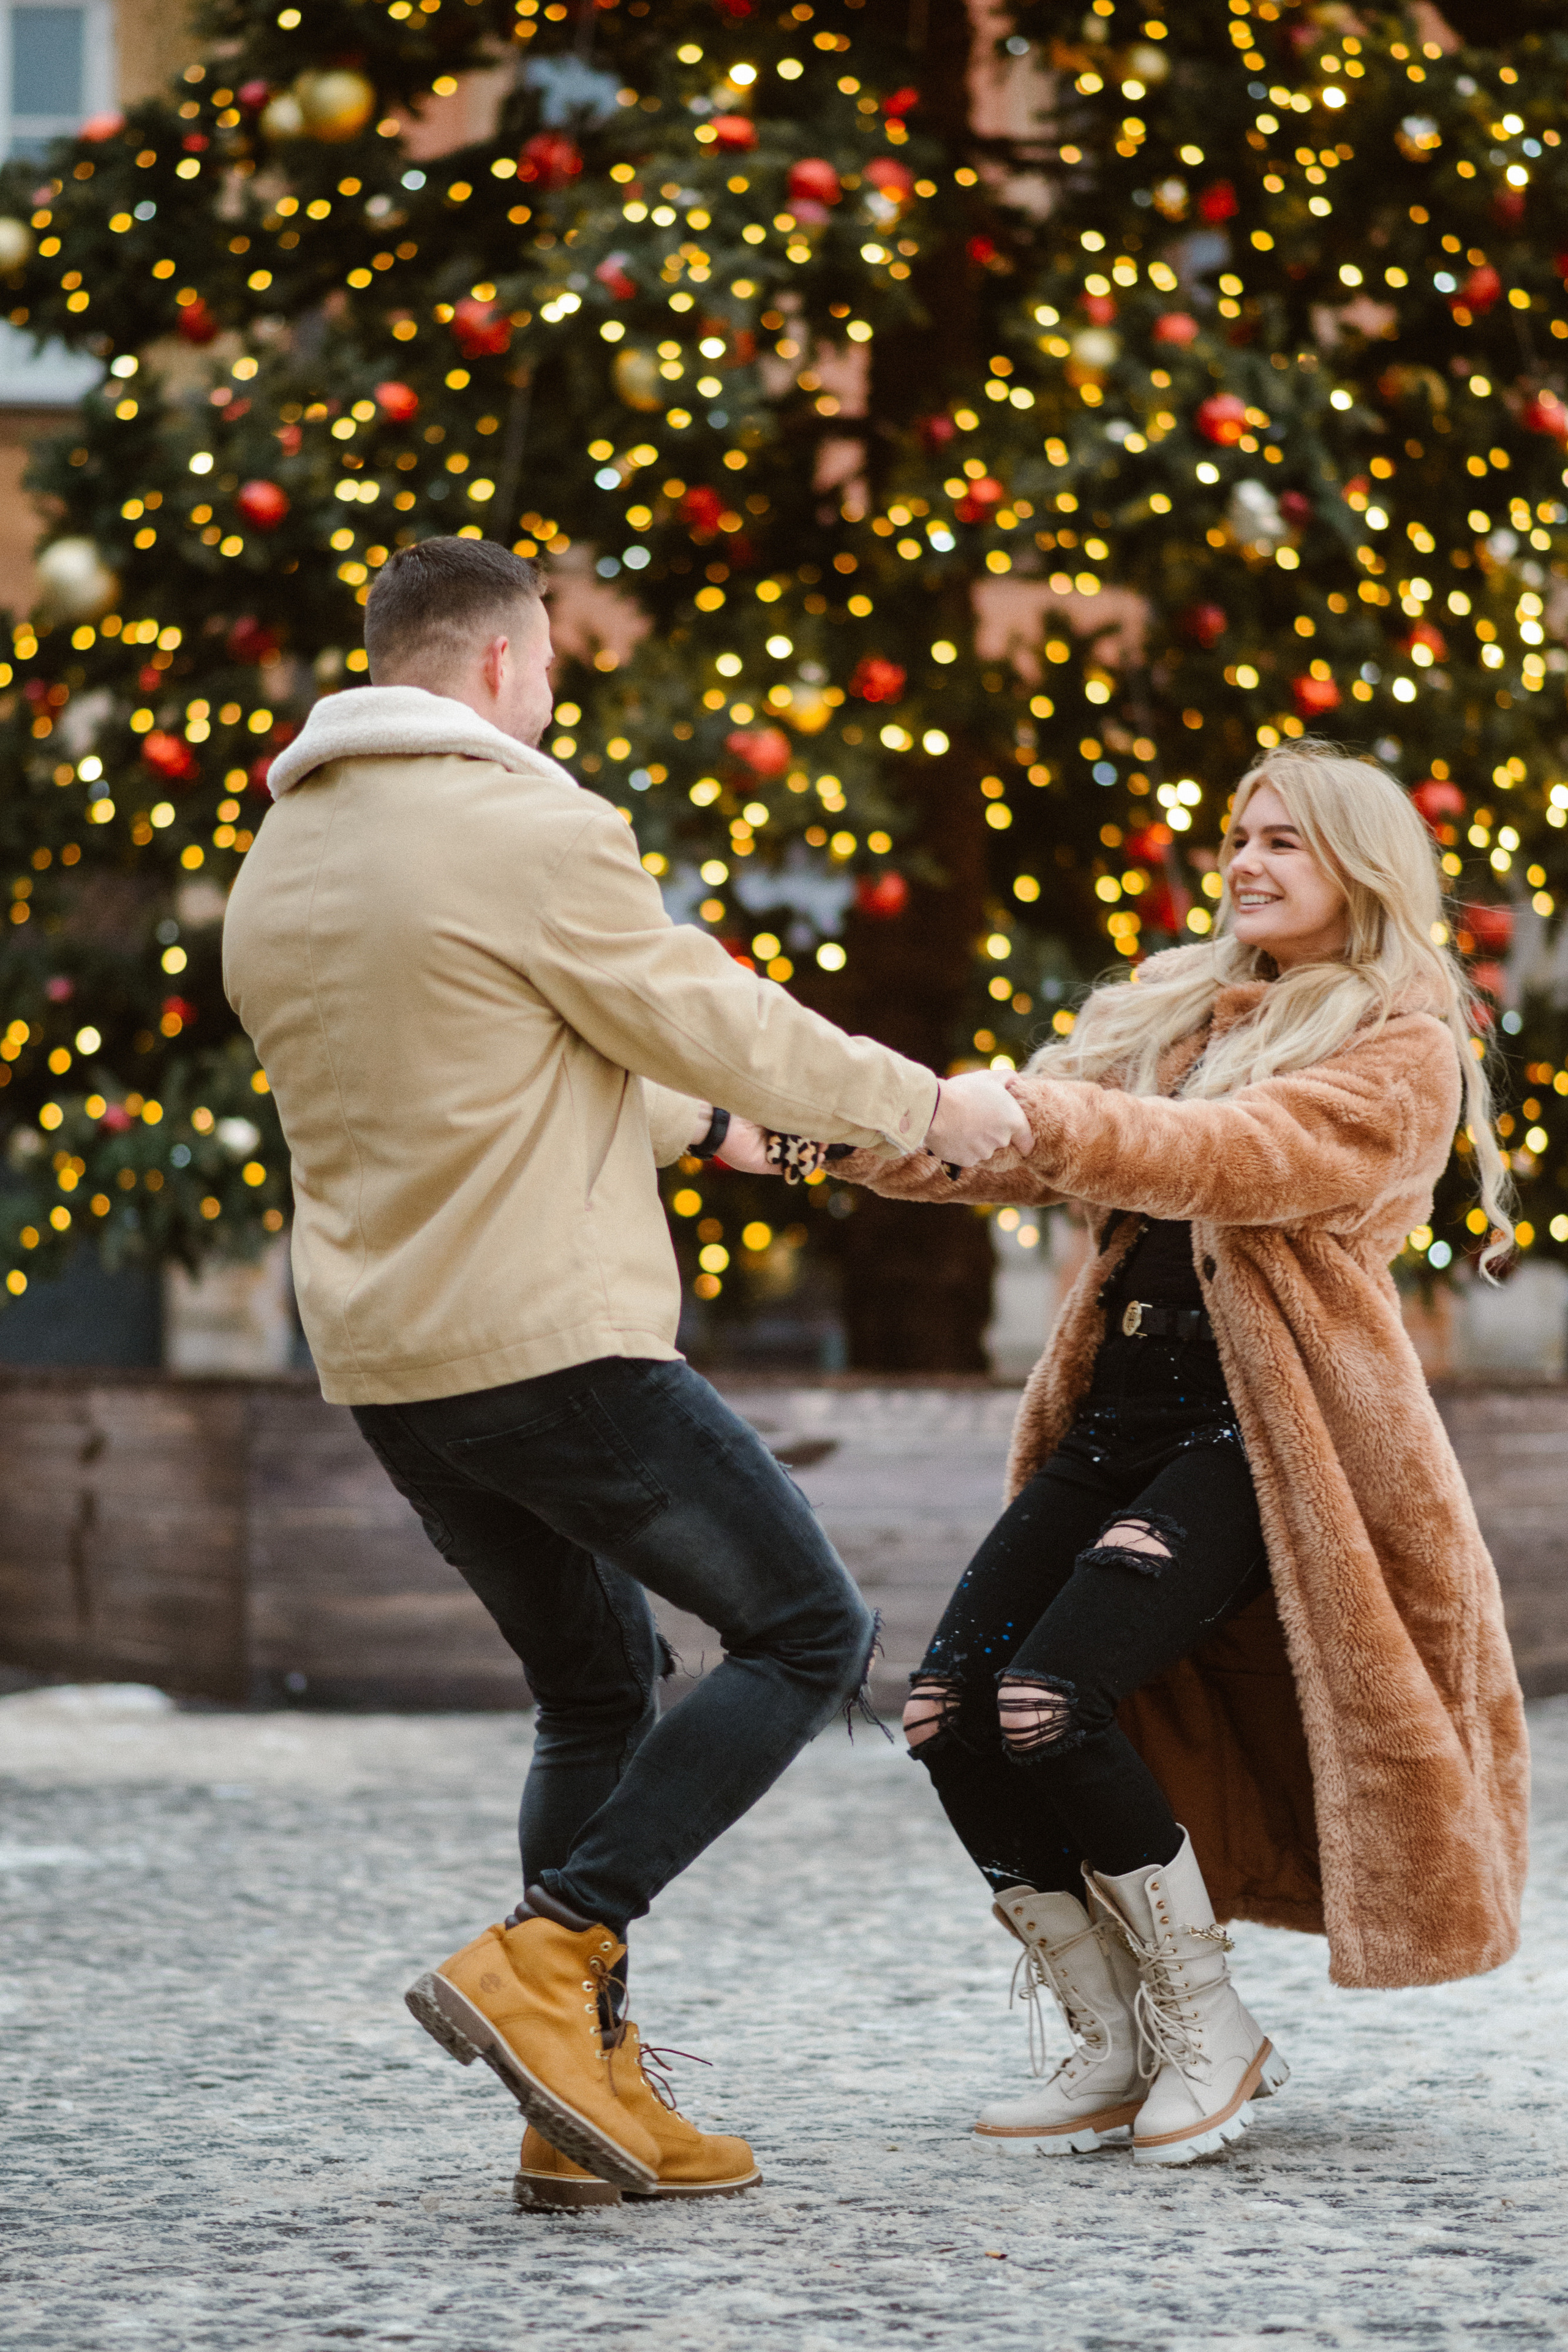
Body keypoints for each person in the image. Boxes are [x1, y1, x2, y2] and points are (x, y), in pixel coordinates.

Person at [222, 534, 1029, 2206]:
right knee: (812, 1629)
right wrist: (921, 1106)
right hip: (548, 1340)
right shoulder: (527, 821)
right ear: (509, 667)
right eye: (552, 675)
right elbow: (695, 1006)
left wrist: (744, 1141)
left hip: (392, 1362)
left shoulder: (290, 853)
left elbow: (505, 1056)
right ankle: (549, 1952)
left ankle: (569, 2105)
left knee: (597, 1689)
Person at [816, 743, 1529, 2168]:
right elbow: (1005, 1147)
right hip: (1114, 1418)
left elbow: (1231, 1155)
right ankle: (1114, 2036)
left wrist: (1044, 1113)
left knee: (1045, 1698)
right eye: (1237, 834)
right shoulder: (1183, 1011)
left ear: (1361, 872)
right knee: (947, 1707)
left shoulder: (1400, 1045)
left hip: (1264, 1432)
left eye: (1288, 844)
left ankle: (1208, 2029)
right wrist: (812, 1135)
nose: (1246, 862)